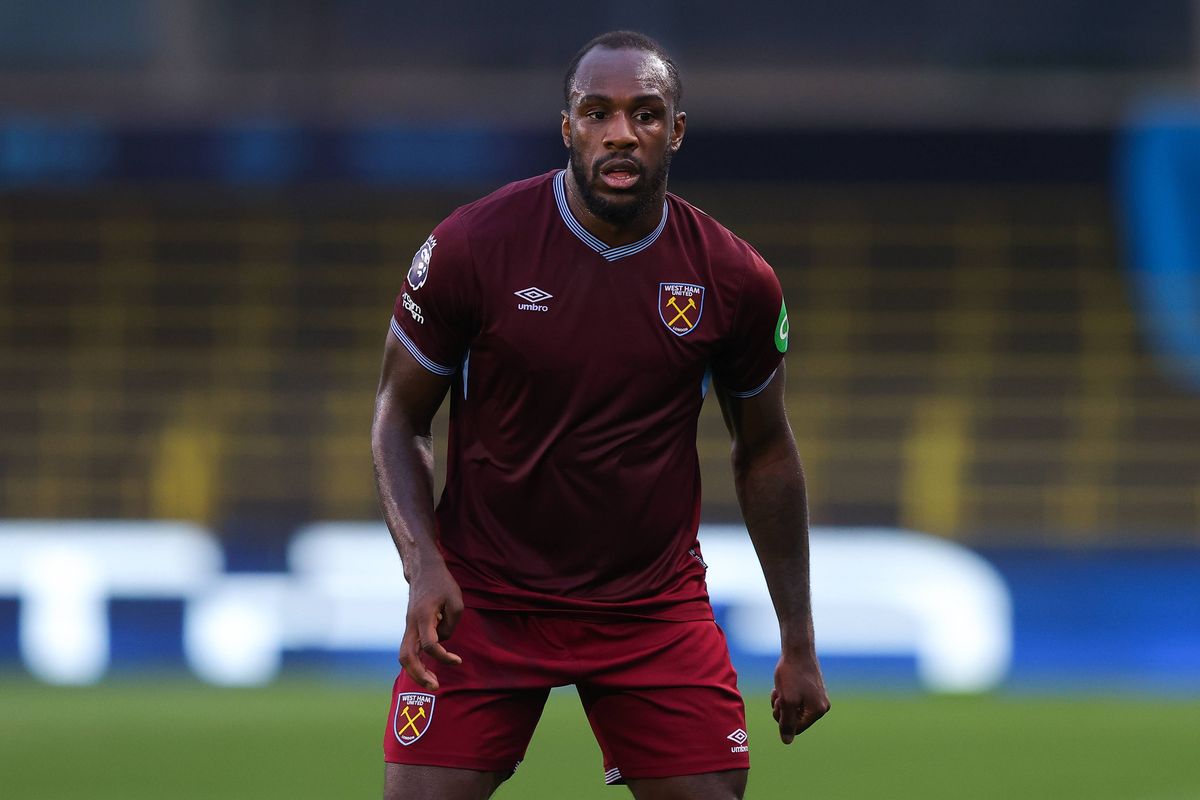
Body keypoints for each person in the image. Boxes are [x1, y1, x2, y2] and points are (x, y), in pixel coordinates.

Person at [371, 30, 829, 800]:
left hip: (649, 607)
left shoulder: (731, 278)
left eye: (646, 114)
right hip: (487, 597)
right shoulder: (473, 247)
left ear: (676, 130)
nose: (622, 134)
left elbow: (766, 454)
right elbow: (397, 418)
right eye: (598, 113)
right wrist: (424, 568)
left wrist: (799, 643)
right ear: (568, 128)